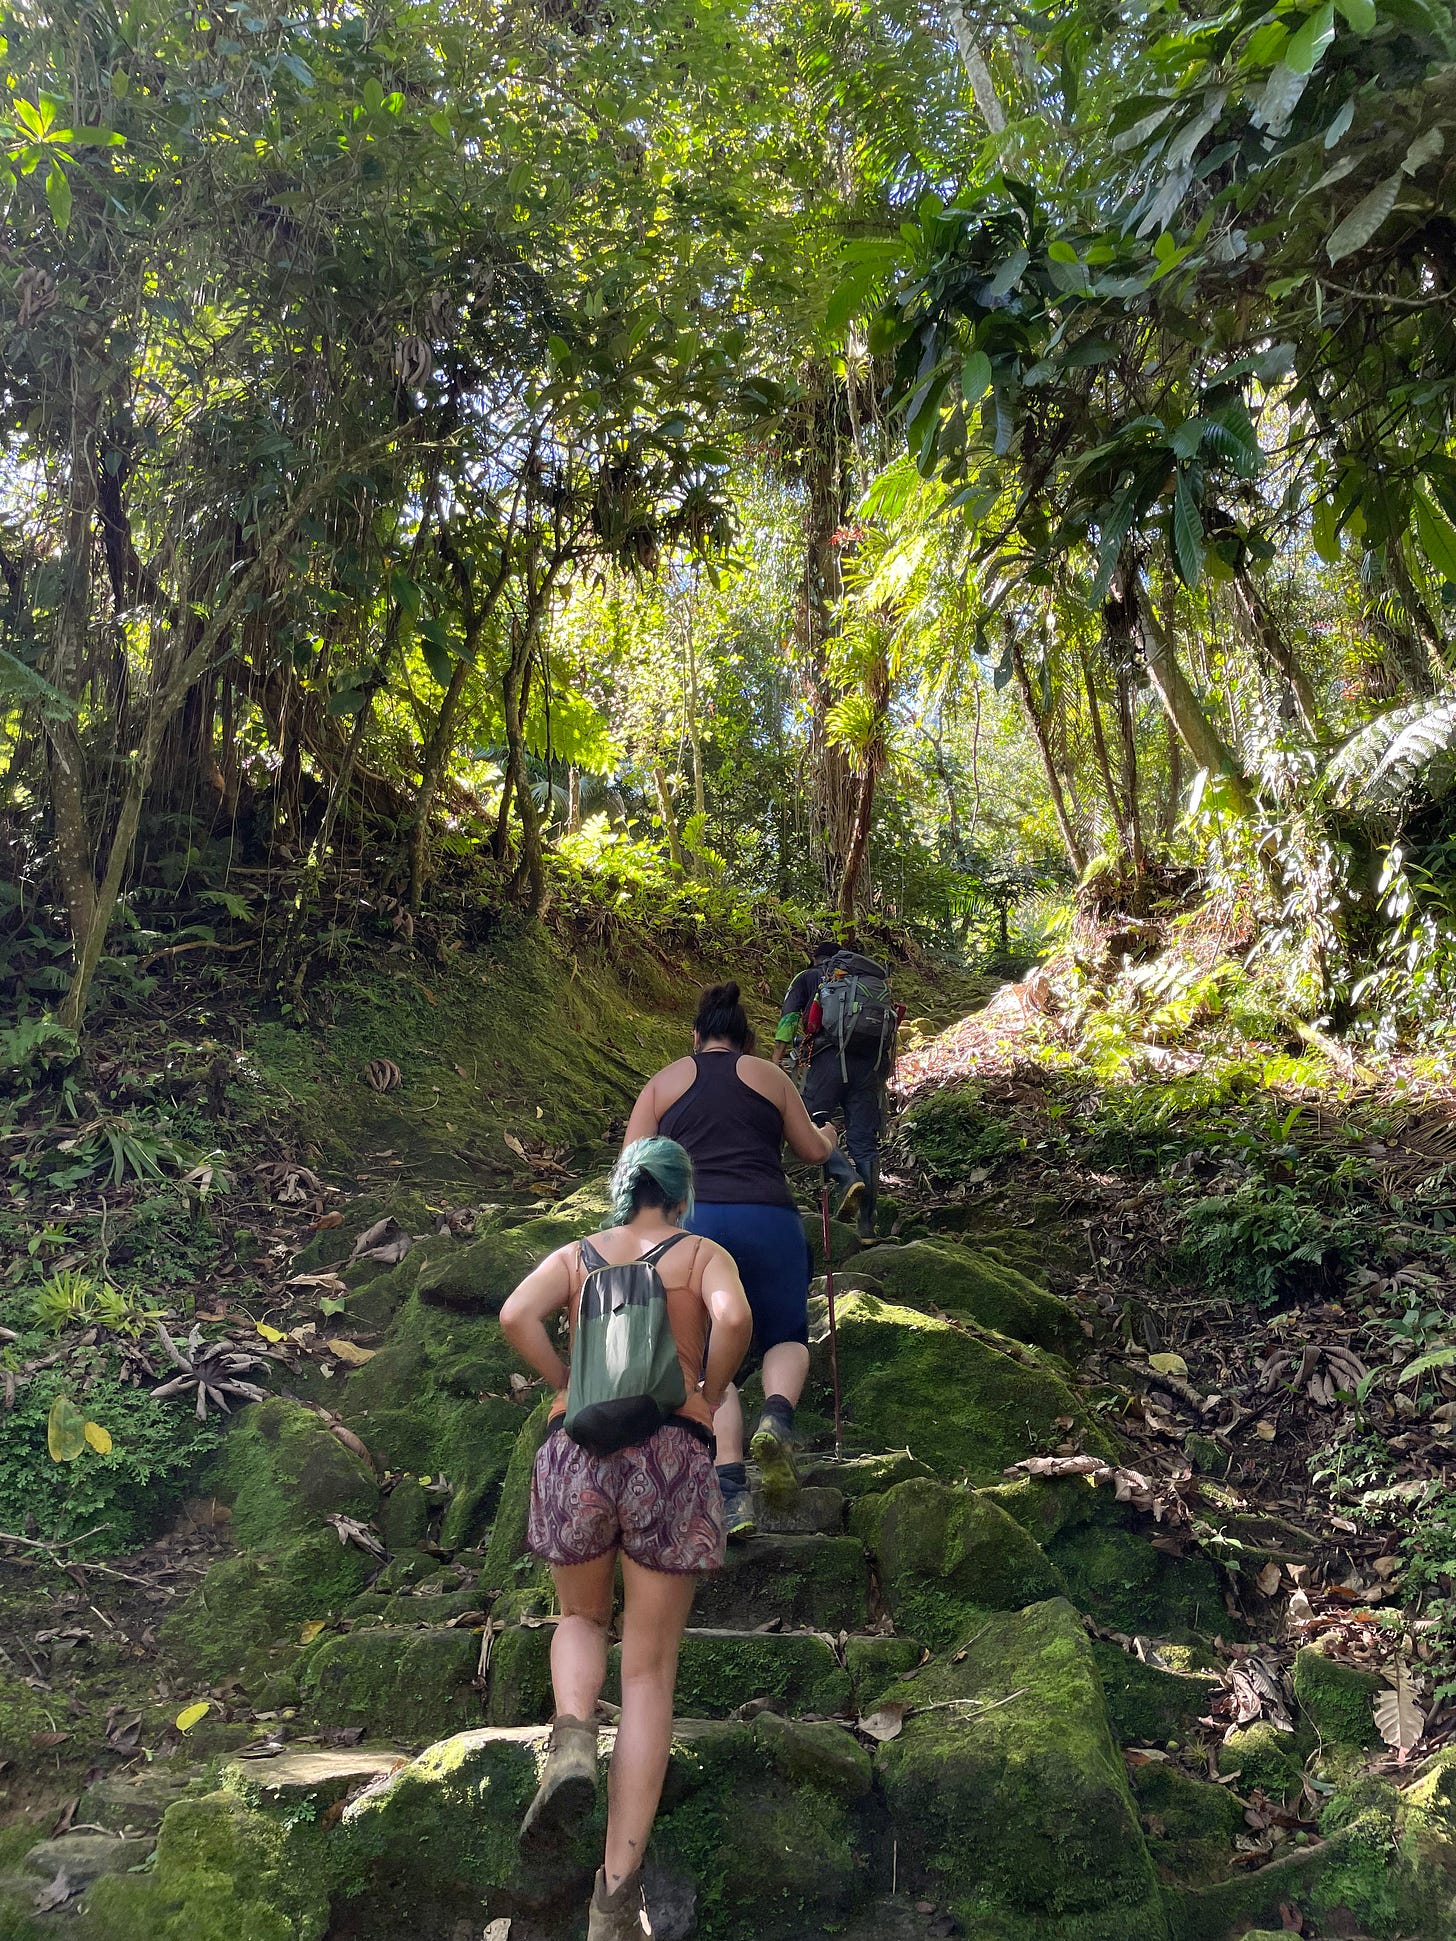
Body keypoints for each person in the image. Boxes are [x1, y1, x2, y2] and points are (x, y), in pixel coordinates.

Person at [500, 1137, 752, 1941]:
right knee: (646, 1673)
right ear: (680, 1194)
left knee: (579, 1619)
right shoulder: (702, 1251)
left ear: (620, 1190)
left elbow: (514, 1314)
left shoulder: (576, 1255)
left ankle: (573, 1733)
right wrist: (709, 1392)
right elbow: (737, 1318)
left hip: (578, 1452)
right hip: (670, 1455)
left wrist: (566, 1384)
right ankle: (614, 1901)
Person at [622, 981, 838, 1536]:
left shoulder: (663, 1083)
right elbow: (812, 1151)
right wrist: (831, 1135)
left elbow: (631, 1167)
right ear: (746, 1039)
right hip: (768, 1217)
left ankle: (730, 1484)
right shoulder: (770, 1076)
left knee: (705, 1357)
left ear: (695, 1039)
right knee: (784, 1333)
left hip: (693, 1224)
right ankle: (777, 1417)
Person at [773, 937, 896, 1240]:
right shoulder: (872, 987)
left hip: (828, 1060)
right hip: (870, 1067)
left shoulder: (810, 978)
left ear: (816, 959)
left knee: (808, 1120)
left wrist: (777, 1056)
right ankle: (867, 1225)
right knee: (865, 1143)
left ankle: (845, 1177)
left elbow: (790, 1016)